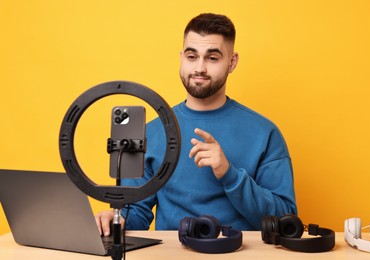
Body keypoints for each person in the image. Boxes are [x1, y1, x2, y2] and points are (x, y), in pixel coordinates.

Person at [95, 13, 297, 236]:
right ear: (181, 57)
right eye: (192, 56)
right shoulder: (150, 132)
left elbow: (285, 219)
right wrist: (115, 220)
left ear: (232, 62)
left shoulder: (265, 133)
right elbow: (136, 215)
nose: (199, 68)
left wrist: (229, 174)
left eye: (212, 58)